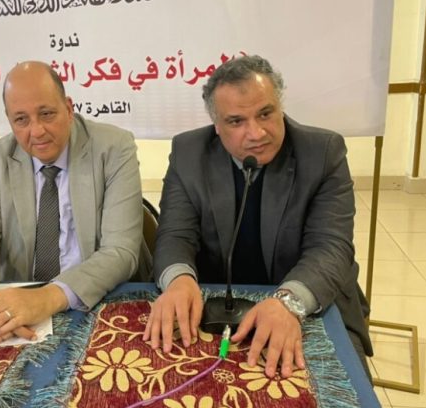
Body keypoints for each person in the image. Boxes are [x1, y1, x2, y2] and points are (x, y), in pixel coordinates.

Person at [143, 55, 372, 380]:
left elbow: (331, 247)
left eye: (265, 114)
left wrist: (289, 303)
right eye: (236, 121)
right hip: (217, 305)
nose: (256, 132)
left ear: (280, 107)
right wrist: (179, 281)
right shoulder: (188, 152)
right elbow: (175, 235)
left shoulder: (323, 152)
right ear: (217, 126)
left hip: (306, 298)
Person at [0, 61, 143, 343]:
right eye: (21, 120)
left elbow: (120, 251)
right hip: (19, 309)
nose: (36, 131)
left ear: (69, 109)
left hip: (96, 300)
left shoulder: (113, 148)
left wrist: (45, 298)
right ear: (10, 121)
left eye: (47, 114)